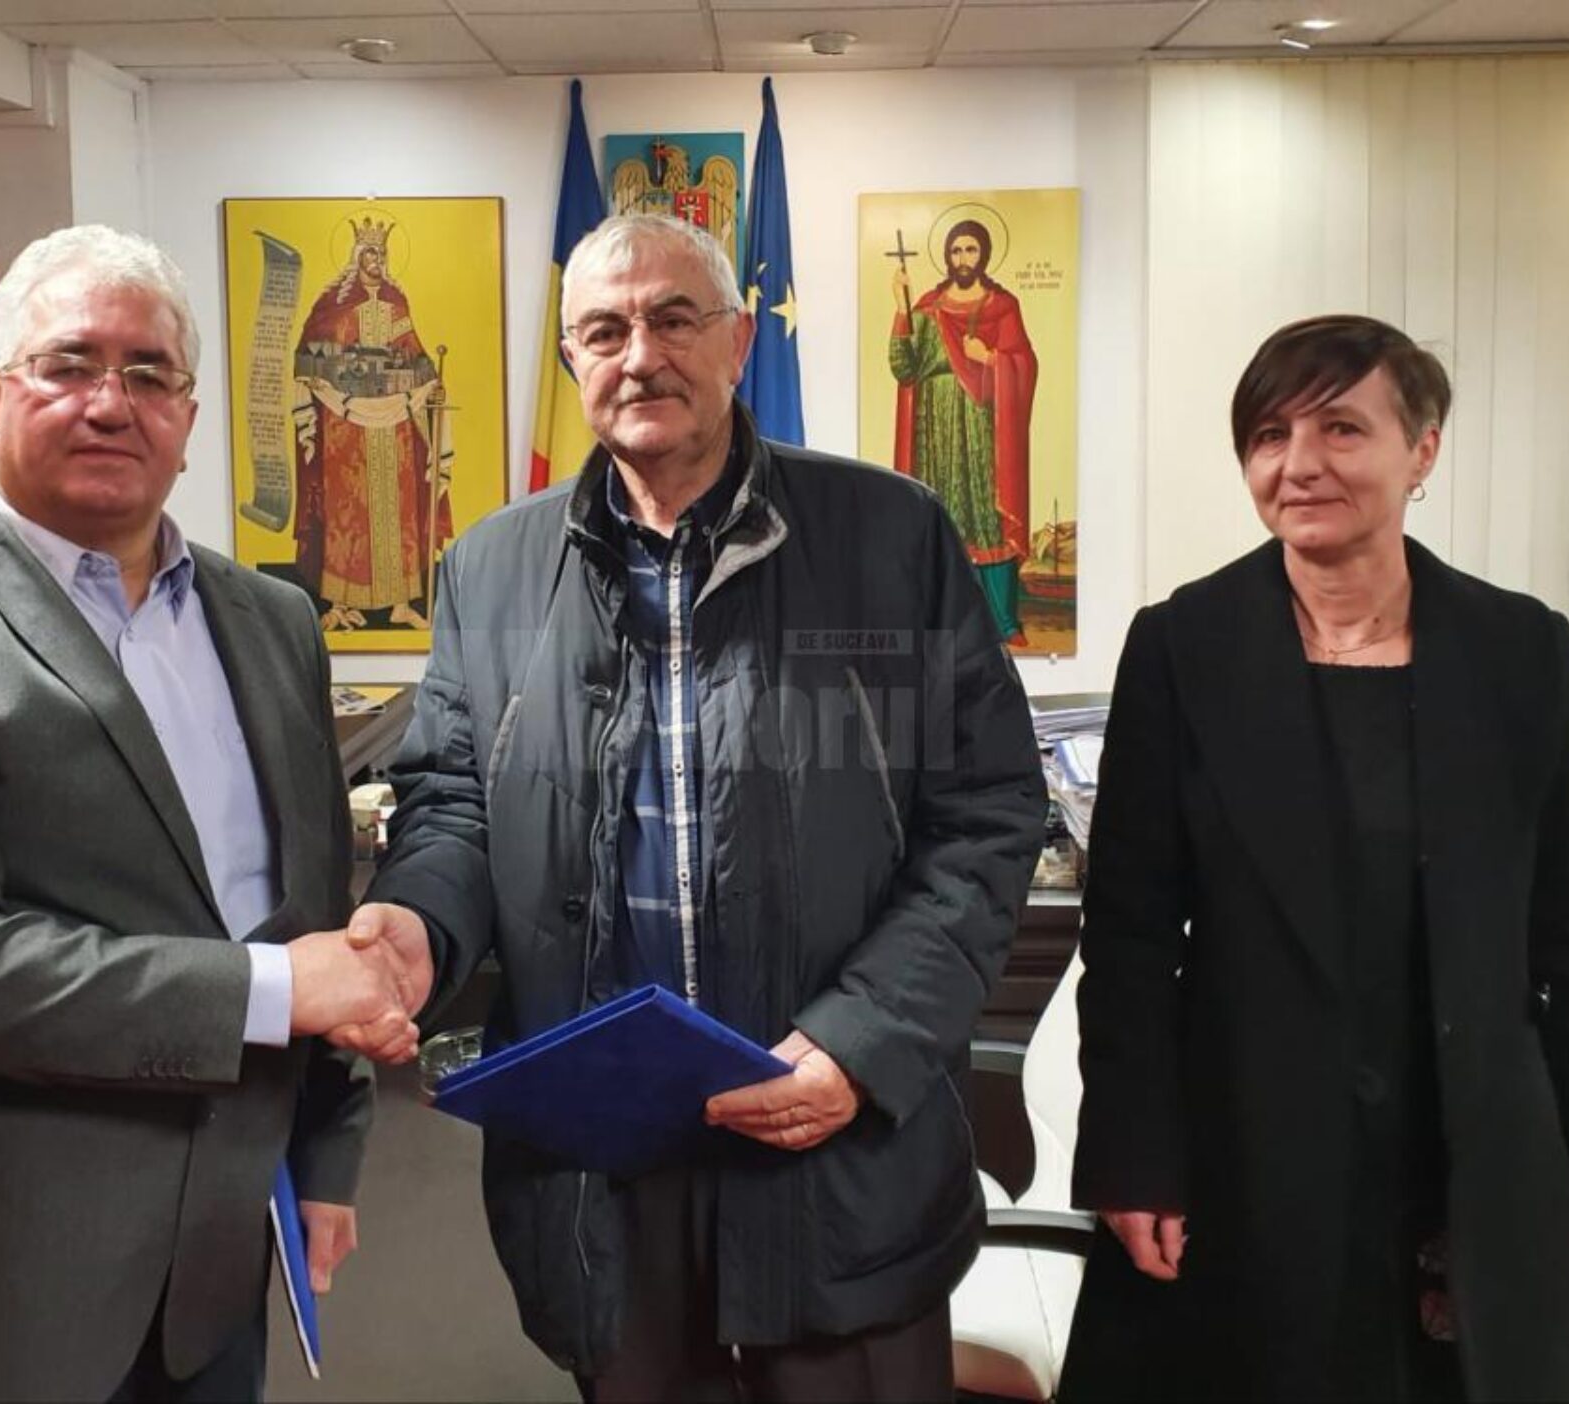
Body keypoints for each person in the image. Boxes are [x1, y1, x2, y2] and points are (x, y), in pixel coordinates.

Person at [350, 212, 1047, 1400]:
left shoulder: (890, 537)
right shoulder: (492, 568)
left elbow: (984, 816)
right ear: (571, 359)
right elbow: (454, 801)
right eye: (604, 331)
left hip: (835, 1141)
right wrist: (416, 919)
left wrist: (861, 1041)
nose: (641, 356)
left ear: (738, 343)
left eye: (675, 319)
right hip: (605, 1154)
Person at [0, 225, 425, 1403]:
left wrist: (325, 1150)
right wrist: (273, 989)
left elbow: (298, 907)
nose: (112, 403)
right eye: (68, 365)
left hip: (211, 1272)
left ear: (188, 420)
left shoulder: (272, 621)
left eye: (149, 373)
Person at [1061, 314, 1569, 1401]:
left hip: (1473, 1147)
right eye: (1269, 435)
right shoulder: (1183, 647)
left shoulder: (1522, 651)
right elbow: (1132, 937)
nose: (1299, 464)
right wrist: (1131, 1155)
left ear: (1422, 450)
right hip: (1246, 1150)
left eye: (1341, 428)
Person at [291, 215, 451, 633]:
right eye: (369, 252)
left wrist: (432, 383)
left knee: (399, 509)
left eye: (381, 252)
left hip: (395, 420)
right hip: (344, 426)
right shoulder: (333, 306)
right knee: (348, 510)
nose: (376, 259)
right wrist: (322, 377)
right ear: (356, 256)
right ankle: (341, 602)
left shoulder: (397, 304)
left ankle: (400, 602)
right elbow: (309, 357)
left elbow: (415, 354)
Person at [889, 218, 1038, 646]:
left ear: (984, 254)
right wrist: (901, 309)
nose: (963, 259)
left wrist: (990, 358)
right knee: (941, 514)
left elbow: (1025, 366)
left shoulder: (1002, 307)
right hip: (933, 429)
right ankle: (938, 616)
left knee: (985, 512)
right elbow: (904, 368)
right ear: (947, 256)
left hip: (981, 426)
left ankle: (1001, 619)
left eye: (971, 249)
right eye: (956, 251)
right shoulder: (927, 307)